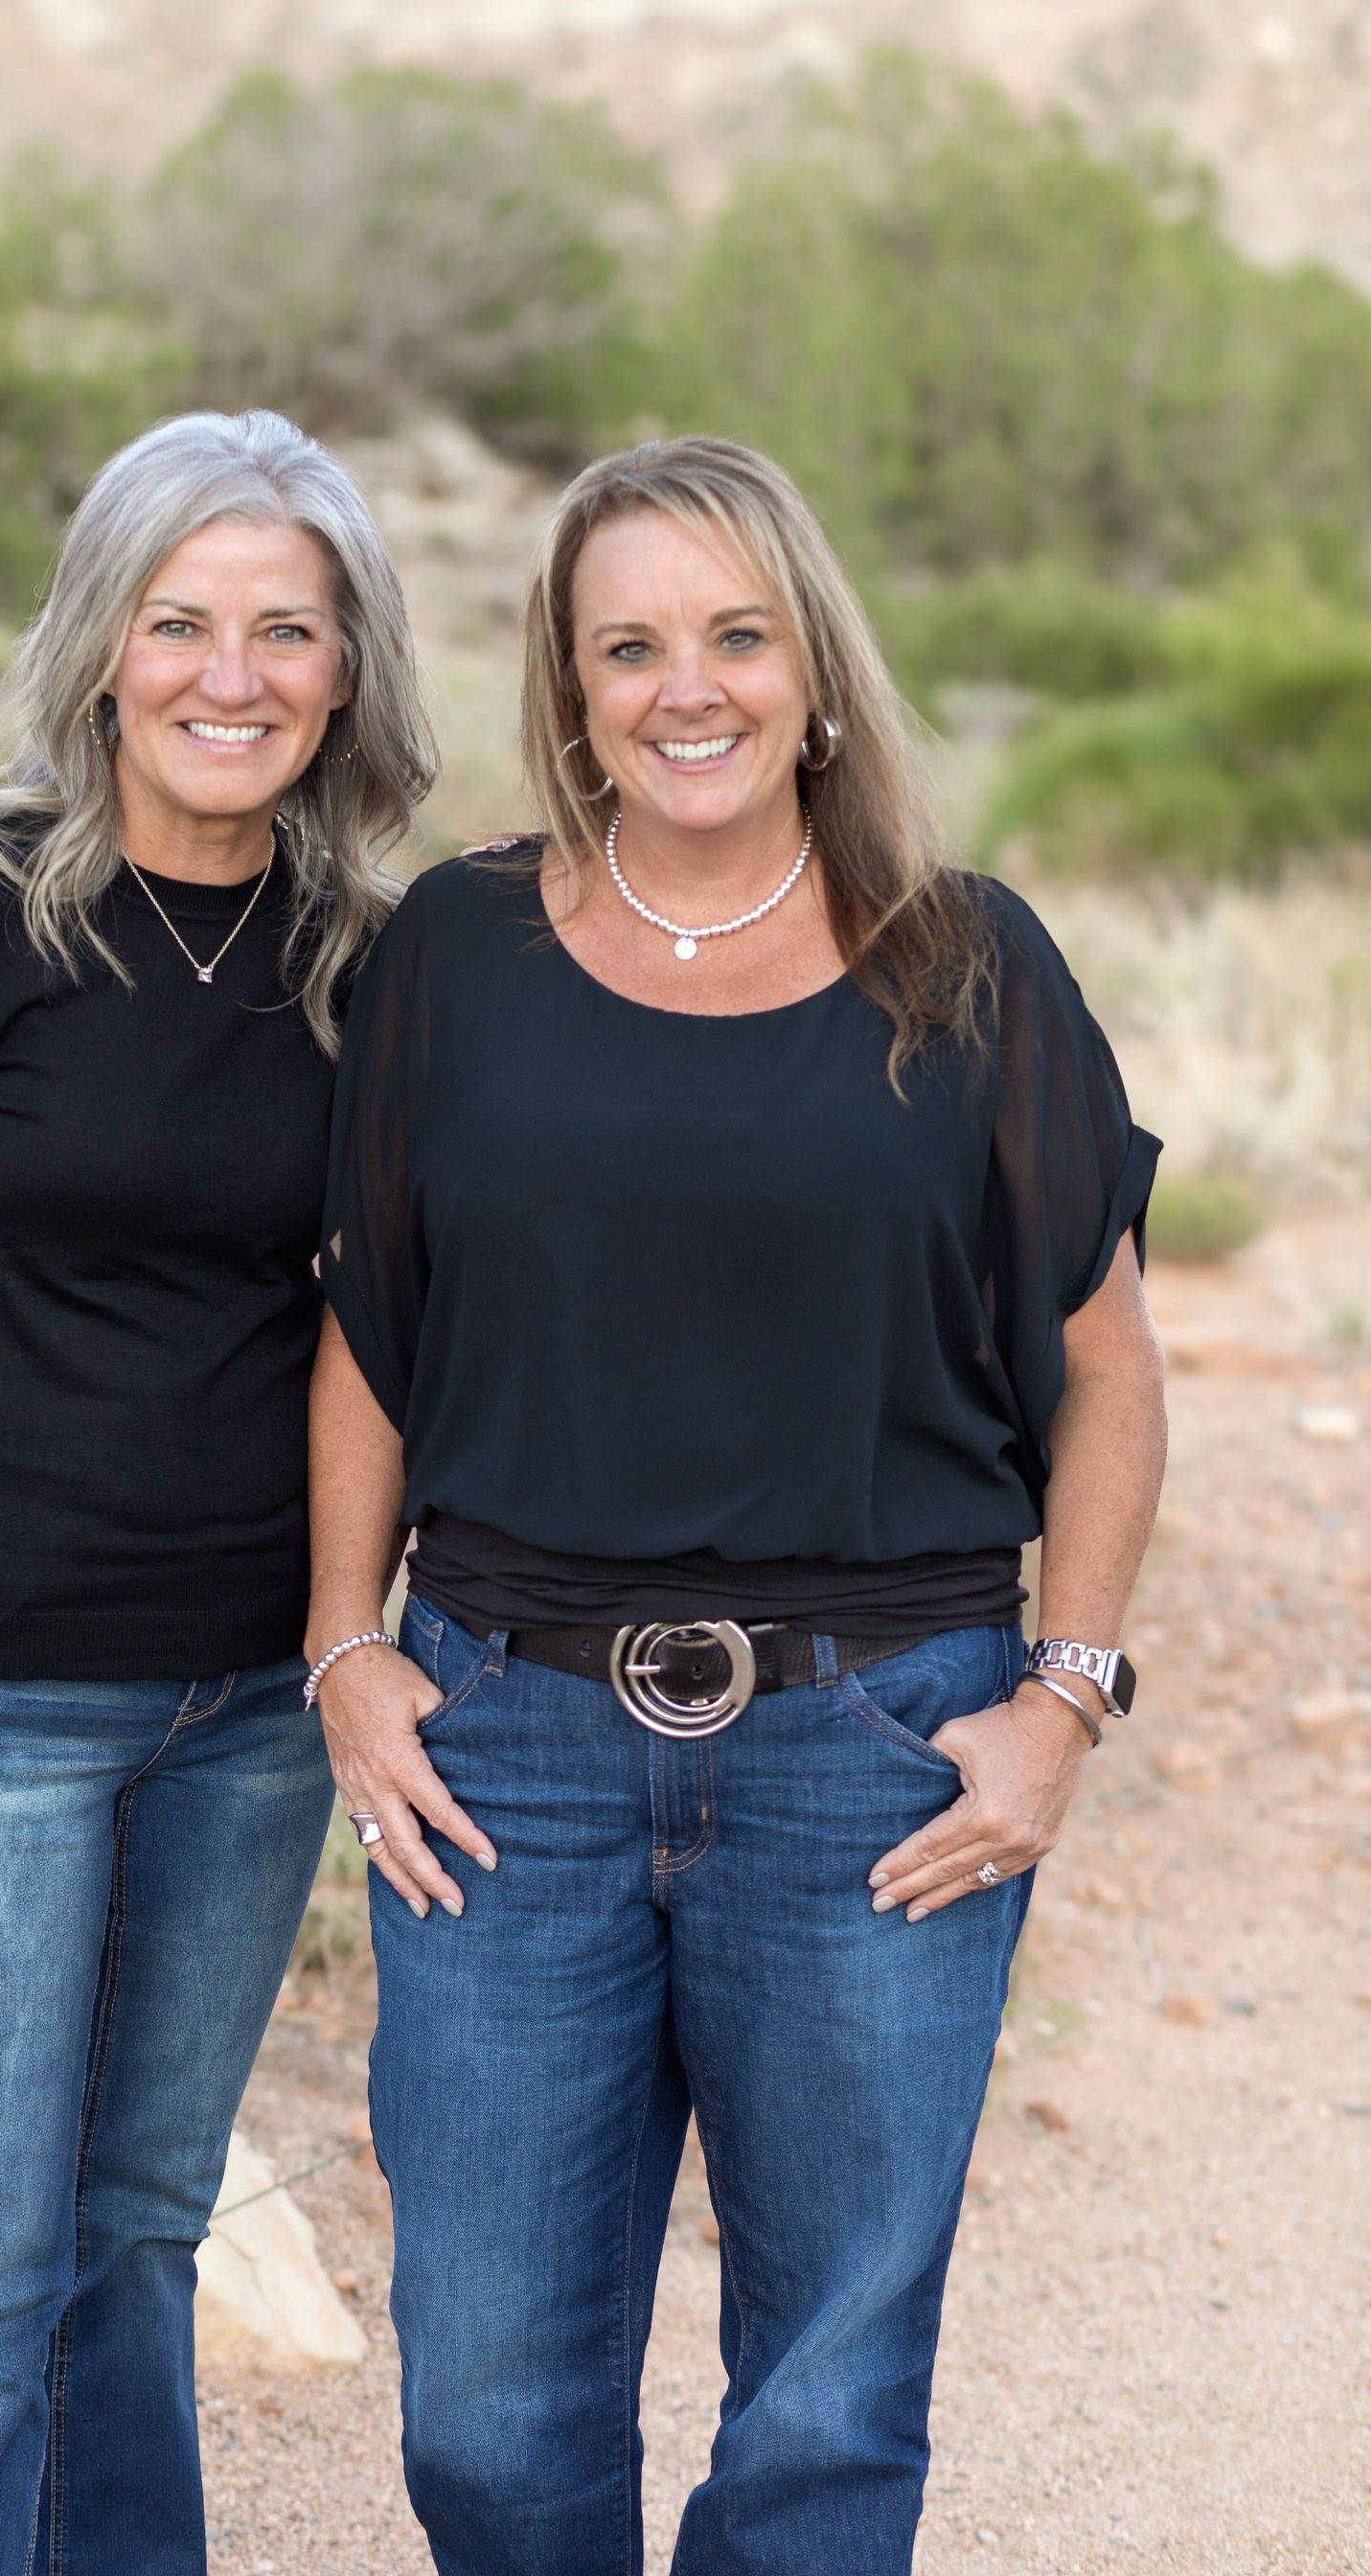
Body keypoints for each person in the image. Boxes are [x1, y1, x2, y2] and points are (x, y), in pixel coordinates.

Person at [305, 435, 1165, 2575]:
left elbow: (1114, 1368)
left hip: (877, 1756)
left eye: (733, 635)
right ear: (571, 687)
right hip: (508, 1746)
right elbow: (368, 1345)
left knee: (826, 2422)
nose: (685, 689)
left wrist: (1061, 1700)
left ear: (814, 671)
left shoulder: (968, 967)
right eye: (629, 646)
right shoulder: (459, 955)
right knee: (491, 2419)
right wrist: (346, 1655)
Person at [0, 408, 433, 2576]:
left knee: (140, 2227)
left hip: (244, 1703)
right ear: (104, 645)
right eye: (181, 621)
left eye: (285, 629)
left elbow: (377, 1335)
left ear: (346, 670)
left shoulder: (366, 962)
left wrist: (343, 1641)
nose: (232, 675)